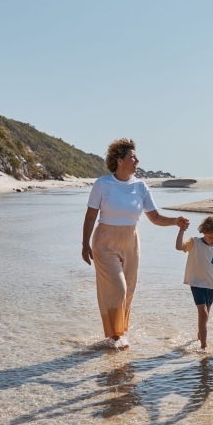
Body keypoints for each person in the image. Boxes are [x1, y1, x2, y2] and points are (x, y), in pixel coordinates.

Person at [81, 138, 189, 349]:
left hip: (131, 241)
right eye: (132, 157)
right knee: (118, 289)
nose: (137, 160)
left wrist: (175, 222)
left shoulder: (140, 186)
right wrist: (85, 244)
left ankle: (118, 334)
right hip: (105, 241)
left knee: (128, 290)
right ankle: (115, 335)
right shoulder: (102, 184)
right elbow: (90, 217)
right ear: (120, 160)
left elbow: (155, 217)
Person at [175, 215, 213, 350]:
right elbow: (179, 246)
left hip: (212, 284)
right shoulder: (194, 242)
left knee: (206, 314)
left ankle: (200, 335)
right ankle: (204, 346)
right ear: (203, 232)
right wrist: (182, 230)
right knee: (203, 313)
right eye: (210, 237)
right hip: (196, 283)